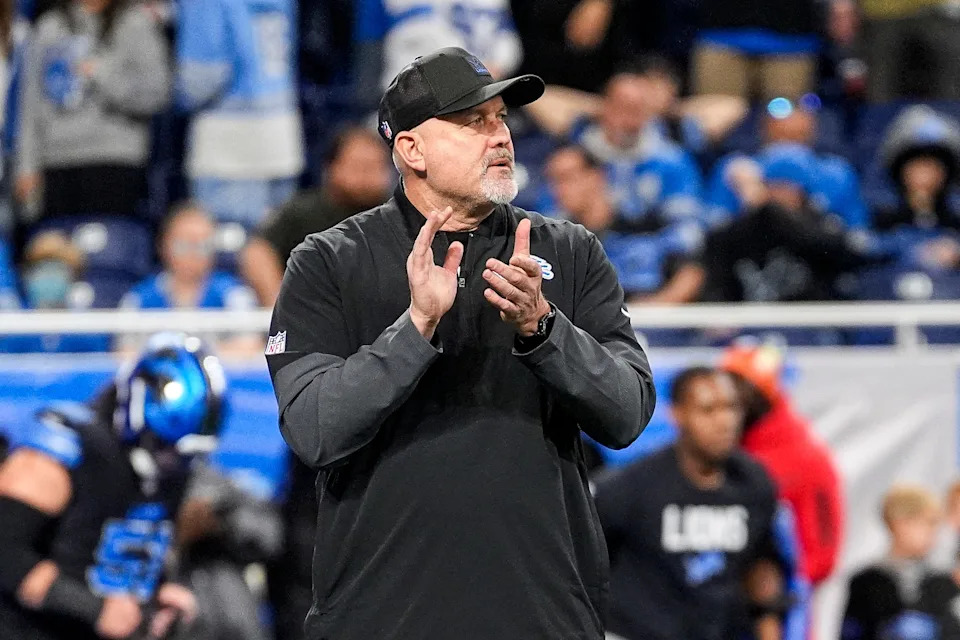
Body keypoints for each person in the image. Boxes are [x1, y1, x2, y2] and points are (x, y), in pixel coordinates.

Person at [266, 46, 655, 639]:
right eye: (473, 121)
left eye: (501, 118)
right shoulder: (329, 262)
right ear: (411, 150)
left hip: (543, 616)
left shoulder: (569, 252)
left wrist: (544, 328)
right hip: (383, 618)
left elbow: (627, 412)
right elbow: (314, 429)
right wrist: (415, 327)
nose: (500, 136)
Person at [0, 332, 225, 639]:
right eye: (167, 448)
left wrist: (156, 594)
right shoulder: (64, 449)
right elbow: (6, 552)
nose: (174, 463)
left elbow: (116, 554)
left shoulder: (171, 470)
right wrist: (91, 608)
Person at [594, 366, 784, 640]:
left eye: (731, 408)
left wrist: (769, 628)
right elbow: (585, 560)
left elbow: (761, 564)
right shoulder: (632, 487)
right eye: (708, 410)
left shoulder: (753, 482)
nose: (725, 421)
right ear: (678, 414)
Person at [15, 0, 170, 221]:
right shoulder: (49, 27)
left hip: (115, 161)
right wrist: (26, 165)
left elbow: (156, 94)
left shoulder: (135, 23)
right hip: (57, 162)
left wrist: (100, 73)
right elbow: (30, 103)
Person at [722, 340, 845, 587]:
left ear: (760, 394)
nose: (728, 397)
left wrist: (779, 589)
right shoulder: (720, 449)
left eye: (738, 386)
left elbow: (822, 555)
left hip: (776, 599)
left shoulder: (806, 460)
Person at [175, 0, 304, 227]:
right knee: (273, 242)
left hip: (229, 150)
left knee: (229, 244)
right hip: (281, 138)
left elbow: (199, 81)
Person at [240, 126, 392, 307]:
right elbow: (258, 251)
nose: (367, 176)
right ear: (332, 167)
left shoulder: (396, 213)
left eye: (376, 167)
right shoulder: (303, 212)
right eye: (359, 166)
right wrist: (279, 304)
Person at [543, 143, 704, 304]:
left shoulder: (641, 223)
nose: (558, 190)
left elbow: (691, 272)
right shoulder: (558, 241)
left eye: (567, 178)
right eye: (553, 181)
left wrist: (655, 306)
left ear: (596, 176)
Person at [119, 202, 260, 354]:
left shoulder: (233, 294)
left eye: (203, 246)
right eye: (183, 245)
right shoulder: (140, 298)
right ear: (163, 245)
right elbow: (125, 352)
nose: (193, 254)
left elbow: (250, 346)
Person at [841, 485, 960, 640]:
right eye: (927, 523)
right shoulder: (868, 582)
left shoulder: (941, 583)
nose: (933, 533)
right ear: (900, 524)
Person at [0, 230, 111, 353]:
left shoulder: (87, 330)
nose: (48, 278)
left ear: (73, 278)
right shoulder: (15, 329)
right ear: (28, 275)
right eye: (41, 269)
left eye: (57, 271)